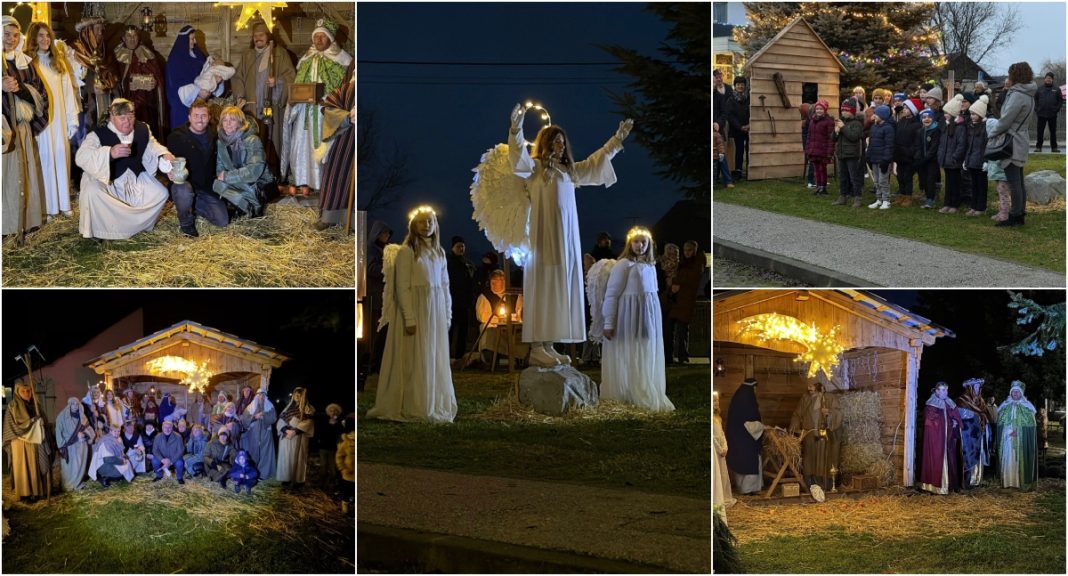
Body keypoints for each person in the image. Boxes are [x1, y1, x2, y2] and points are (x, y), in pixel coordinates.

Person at [507, 103, 634, 367]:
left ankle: (550, 344)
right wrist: (516, 128)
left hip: (565, 240)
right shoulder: (536, 169)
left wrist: (616, 140)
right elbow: (517, 157)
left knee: (559, 286)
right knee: (543, 284)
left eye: (562, 142)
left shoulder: (569, 172)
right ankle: (537, 345)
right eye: (555, 142)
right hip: (544, 239)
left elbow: (594, 163)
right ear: (545, 144)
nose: (560, 146)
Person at [368, 206, 457, 422]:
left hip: (433, 311)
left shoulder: (440, 253)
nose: (426, 225)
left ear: (435, 224)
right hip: (415, 309)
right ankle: (413, 403)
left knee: (430, 355)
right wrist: (409, 316)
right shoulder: (406, 252)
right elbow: (402, 287)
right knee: (413, 357)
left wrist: (447, 315)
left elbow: (445, 286)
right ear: (413, 226)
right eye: (421, 222)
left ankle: (432, 401)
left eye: (429, 221)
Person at [74, 98, 175, 240]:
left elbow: (153, 146)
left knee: (161, 193)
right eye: (122, 118)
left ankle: (136, 226)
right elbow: (82, 156)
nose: (127, 122)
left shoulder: (142, 128)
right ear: (112, 117)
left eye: (130, 116)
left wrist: (165, 154)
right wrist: (109, 153)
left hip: (134, 178)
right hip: (110, 180)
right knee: (92, 191)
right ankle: (102, 230)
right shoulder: (98, 133)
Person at [600, 227, 674, 412]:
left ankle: (643, 387)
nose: (640, 246)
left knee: (645, 350)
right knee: (629, 352)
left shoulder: (650, 266)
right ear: (629, 243)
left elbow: (652, 294)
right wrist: (609, 322)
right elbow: (612, 294)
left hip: (646, 317)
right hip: (628, 315)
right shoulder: (623, 265)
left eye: (643, 242)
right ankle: (628, 391)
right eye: (636, 242)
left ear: (649, 244)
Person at [280, 17, 352, 196]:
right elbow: (297, 85)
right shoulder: (305, 59)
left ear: (330, 39)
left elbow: (342, 89)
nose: (318, 40)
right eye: (316, 36)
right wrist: (294, 101)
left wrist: (326, 98)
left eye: (323, 37)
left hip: (323, 113)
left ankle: (324, 185)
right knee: (301, 147)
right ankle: (303, 183)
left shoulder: (341, 61)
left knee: (323, 146)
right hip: (304, 112)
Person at [26, 21, 79, 222]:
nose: (45, 39)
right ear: (33, 38)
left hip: (59, 118)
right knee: (45, 160)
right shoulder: (29, 63)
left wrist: (72, 119)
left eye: (47, 35)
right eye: (40, 36)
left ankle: (64, 203)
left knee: (60, 157)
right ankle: (48, 207)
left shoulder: (58, 63)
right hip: (41, 121)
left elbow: (67, 93)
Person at [3, 16, 47, 239]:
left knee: (25, 173)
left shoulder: (25, 62)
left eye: (15, 35)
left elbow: (40, 92)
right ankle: (6, 225)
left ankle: (26, 222)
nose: (11, 39)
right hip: (2, 131)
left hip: (21, 128)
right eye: (6, 34)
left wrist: (20, 89)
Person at [232, 19, 296, 173]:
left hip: (271, 106)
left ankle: (274, 173)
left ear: (268, 36)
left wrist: (278, 83)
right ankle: (252, 172)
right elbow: (237, 77)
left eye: (261, 35)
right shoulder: (248, 55)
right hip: (252, 107)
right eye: (255, 35)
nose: (257, 38)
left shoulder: (279, 54)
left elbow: (291, 77)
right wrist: (240, 95)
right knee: (252, 140)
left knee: (271, 138)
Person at [166, 99, 228, 237]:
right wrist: (167, 171)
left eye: (204, 116)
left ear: (209, 117)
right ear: (189, 117)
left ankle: (192, 205)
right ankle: (186, 222)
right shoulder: (177, 137)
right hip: (185, 184)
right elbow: (165, 160)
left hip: (206, 187)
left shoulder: (215, 135)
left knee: (222, 221)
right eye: (196, 116)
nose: (200, 120)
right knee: (183, 192)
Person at [990, 62, 1037, 227]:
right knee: (1018, 179)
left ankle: (1016, 215)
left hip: (1013, 139)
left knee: (1014, 180)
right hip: (1020, 137)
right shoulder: (1028, 93)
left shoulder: (1018, 94)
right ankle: (1019, 212)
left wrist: (992, 133)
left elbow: (1006, 119)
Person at [214, 105, 272, 218]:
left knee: (228, 183)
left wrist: (227, 176)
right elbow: (219, 167)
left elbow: (254, 171)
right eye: (225, 120)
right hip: (238, 179)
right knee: (216, 185)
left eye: (232, 119)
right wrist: (224, 176)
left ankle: (255, 205)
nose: (228, 123)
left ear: (240, 122)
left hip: (258, 181)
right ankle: (246, 206)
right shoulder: (220, 142)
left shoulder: (252, 140)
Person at [69, 7, 116, 145]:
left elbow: (115, 78)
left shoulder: (105, 52)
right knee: (86, 141)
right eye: (97, 29)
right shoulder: (74, 53)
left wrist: (106, 86)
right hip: (85, 109)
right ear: (87, 32)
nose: (100, 33)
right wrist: (89, 89)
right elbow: (71, 84)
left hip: (103, 103)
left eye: (102, 29)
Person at [316, 62, 354, 230]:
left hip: (366, 143)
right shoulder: (345, 89)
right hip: (345, 139)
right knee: (337, 175)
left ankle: (353, 222)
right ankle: (330, 217)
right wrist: (346, 117)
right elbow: (326, 107)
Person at [112, 25, 166, 139]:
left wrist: (154, 84)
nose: (132, 39)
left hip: (146, 105)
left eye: (135, 35)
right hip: (125, 104)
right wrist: (127, 84)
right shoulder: (116, 56)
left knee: (146, 133)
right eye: (129, 36)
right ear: (123, 38)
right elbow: (113, 79)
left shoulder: (148, 54)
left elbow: (158, 77)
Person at [789, 382, 842, 489]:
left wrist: (829, 413)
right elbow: (797, 414)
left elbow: (839, 413)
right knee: (810, 460)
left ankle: (826, 484)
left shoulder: (829, 398)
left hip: (825, 436)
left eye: (811, 385)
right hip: (810, 435)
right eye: (808, 385)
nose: (809, 388)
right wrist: (793, 430)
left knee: (824, 459)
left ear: (820, 386)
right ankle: (810, 483)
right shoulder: (805, 399)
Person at [165, 26, 215, 130]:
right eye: (192, 39)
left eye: (194, 38)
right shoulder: (175, 59)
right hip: (181, 104)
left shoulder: (198, 55)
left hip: (199, 101)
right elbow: (176, 84)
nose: (195, 41)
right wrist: (198, 91)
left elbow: (205, 72)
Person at [474, 269, 528, 365]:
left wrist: (511, 318)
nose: (499, 282)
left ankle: (520, 357)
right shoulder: (485, 297)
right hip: (494, 326)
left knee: (523, 333)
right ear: (491, 282)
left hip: (512, 326)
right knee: (488, 331)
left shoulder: (515, 296)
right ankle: (490, 359)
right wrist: (499, 319)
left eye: (502, 280)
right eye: (496, 280)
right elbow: (482, 316)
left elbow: (520, 313)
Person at [920, 382, 962, 494]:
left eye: (946, 390)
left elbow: (956, 416)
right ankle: (936, 487)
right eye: (943, 390)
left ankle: (950, 485)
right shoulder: (931, 405)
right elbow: (930, 422)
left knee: (951, 459)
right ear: (937, 391)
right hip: (936, 440)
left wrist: (955, 422)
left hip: (948, 439)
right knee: (936, 459)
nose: (946, 392)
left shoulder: (949, 402)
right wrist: (948, 421)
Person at [666, 241, 703, 365]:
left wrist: (676, 282)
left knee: (682, 330)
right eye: (685, 250)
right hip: (677, 300)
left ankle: (682, 356)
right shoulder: (682, 263)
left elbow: (692, 278)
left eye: (689, 250)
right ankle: (671, 356)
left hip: (685, 299)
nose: (687, 253)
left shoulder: (696, 263)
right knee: (671, 329)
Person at [725, 377, 763, 495]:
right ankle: (748, 489)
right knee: (749, 461)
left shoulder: (738, 397)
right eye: (755, 388)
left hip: (737, 436)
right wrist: (762, 427)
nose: (756, 391)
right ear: (752, 387)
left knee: (741, 460)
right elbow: (749, 422)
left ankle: (744, 488)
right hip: (746, 438)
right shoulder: (747, 399)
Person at [997, 380, 1037, 490]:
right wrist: (1009, 432)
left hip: (1021, 441)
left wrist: (1019, 432)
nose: (1015, 394)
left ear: (1021, 393)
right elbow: (1000, 423)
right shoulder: (1005, 406)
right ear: (1010, 393)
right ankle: (1008, 481)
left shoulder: (1027, 407)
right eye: (1013, 392)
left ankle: (1020, 482)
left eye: (1017, 392)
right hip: (1007, 439)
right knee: (1009, 459)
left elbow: (1031, 426)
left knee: (1019, 460)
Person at [957, 378, 996, 489]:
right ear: (969, 388)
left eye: (979, 387)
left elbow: (986, 414)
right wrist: (977, 416)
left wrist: (984, 420)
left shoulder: (981, 401)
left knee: (979, 454)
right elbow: (962, 417)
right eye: (975, 387)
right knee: (969, 455)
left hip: (980, 433)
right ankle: (968, 480)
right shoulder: (962, 400)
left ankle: (977, 479)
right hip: (968, 435)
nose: (978, 389)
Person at [367, 220, 393, 375]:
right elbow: (371, 269)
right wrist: (389, 268)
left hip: (384, 298)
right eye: (384, 233)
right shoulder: (372, 249)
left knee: (384, 334)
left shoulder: (384, 249)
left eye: (388, 233)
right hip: (376, 298)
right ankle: (374, 365)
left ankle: (380, 364)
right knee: (377, 334)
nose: (387, 236)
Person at [276, 387, 315, 486]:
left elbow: (309, 422)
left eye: (299, 395)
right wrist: (285, 430)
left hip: (298, 438)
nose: (297, 397)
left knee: (298, 458)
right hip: (286, 437)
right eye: (295, 395)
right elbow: (280, 421)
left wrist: (296, 431)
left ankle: (297, 480)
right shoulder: (288, 408)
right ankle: (286, 478)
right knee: (286, 457)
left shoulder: (307, 409)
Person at [446, 235, 476, 361]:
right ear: (453, 247)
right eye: (458, 246)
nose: (461, 248)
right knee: (450, 329)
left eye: (463, 246)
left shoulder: (467, 262)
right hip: (451, 301)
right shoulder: (447, 261)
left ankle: (460, 355)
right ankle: (447, 355)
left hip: (464, 302)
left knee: (463, 330)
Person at [936, 95, 967, 213]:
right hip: (946, 160)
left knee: (955, 183)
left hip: (953, 160)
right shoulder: (946, 126)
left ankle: (954, 204)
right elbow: (942, 143)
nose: (945, 115)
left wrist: (955, 157)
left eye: (947, 113)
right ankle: (947, 203)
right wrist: (941, 156)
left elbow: (961, 144)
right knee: (948, 183)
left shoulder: (960, 127)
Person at [55, 397, 94, 492]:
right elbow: (58, 432)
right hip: (70, 446)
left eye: (77, 404)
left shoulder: (82, 416)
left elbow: (89, 430)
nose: (75, 406)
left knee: (80, 464)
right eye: (73, 404)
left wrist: (84, 434)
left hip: (81, 445)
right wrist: (62, 445)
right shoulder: (62, 416)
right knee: (70, 466)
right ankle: (68, 485)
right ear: (69, 405)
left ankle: (78, 483)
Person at [833, 98, 865, 208]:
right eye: (842, 110)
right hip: (841, 154)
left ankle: (857, 198)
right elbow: (833, 138)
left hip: (852, 155)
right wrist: (836, 132)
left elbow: (854, 137)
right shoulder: (841, 123)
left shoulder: (857, 123)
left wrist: (843, 128)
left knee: (854, 177)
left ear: (852, 111)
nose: (844, 112)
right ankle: (843, 196)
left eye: (846, 110)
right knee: (843, 176)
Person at [240, 389, 277, 479]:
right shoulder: (250, 407)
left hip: (266, 432)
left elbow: (273, 418)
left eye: (263, 395)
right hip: (253, 433)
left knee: (265, 452)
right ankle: (253, 471)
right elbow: (244, 419)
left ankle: (263, 474)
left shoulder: (270, 406)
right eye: (259, 395)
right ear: (256, 396)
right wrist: (255, 417)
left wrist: (264, 415)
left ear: (265, 396)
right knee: (253, 451)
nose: (261, 396)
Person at [963, 96, 991, 217]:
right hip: (971, 160)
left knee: (981, 185)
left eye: (974, 114)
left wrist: (986, 160)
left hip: (981, 161)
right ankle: (974, 206)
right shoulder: (971, 127)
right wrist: (966, 160)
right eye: (971, 114)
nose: (972, 116)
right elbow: (969, 145)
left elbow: (987, 145)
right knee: (973, 184)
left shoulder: (985, 127)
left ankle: (981, 207)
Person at [893, 99, 922, 206]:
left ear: (912, 110)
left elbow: (916, 141)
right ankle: (902, 194)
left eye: (906, 108)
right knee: (899, 176)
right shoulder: (901, 121)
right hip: (899, 154)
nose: (904, 109)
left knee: (907, 176)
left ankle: (908, 196)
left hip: (909, 155)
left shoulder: (917, 124)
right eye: (904, 107)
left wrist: (911, 152)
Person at [867, 105, 895, 209]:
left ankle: (886, 200)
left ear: (882, 116)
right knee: (876, 180)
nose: (874, 116)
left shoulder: (888, 128)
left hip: (883, 160)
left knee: (883, 180)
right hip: (874, 158)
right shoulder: (874, 127)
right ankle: (878, 199)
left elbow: (889, 145)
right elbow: (871, 143)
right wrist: (868, 155)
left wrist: (886, 159)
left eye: (876, 114)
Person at [713, 392, 735, 524]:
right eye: (714, 401)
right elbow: (713, 436)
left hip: (721, 449)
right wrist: (719, 448)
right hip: (716, 450)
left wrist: (725, 446)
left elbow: (721, 433)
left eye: (717, 401)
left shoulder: (718, 418)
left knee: (722, 474)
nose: (716, 403)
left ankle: (724, 496)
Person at [805, 99, 834, 196]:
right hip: (814, 150)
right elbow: (809, 136)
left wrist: (829, 152)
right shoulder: (812, 121)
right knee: (816, 169)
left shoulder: (828, 121)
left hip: (823, 150)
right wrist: (808, 148)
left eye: (821, 109)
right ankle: (818, 185)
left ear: (825, 110)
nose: (819, 111)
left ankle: (823, 187)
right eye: (817, 109)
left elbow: (831, 138)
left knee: (822, 169)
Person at [916, 109, 942, 209]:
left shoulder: (936, 130)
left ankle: (931, 199)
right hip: (922, 160)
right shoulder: (920, 131)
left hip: (932, 160)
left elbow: (934, 147)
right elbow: (918, 146)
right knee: (923, 178)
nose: (927, 119)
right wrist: (918, 156)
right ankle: (927, 196)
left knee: (930, 179)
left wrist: (926, 158)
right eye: (924, 117)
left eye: (929, 117)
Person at [725, 76, 749, 180]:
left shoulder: (749, 98)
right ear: (735, 86)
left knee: (749, 150)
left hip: (749, 128)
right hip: (737, 129)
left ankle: (750, 171)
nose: (740, 86)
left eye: (742, 84)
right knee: (738, 151)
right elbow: (730, 115)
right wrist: (740, 127)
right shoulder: (731, 99)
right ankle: (737, 171)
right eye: (738, 84)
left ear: (745, 86)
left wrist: (749, 125)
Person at [316, 403, 344, 491]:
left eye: (335, 411)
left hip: (333, 449)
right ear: (328, 412)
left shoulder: (339, 424)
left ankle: (332, 484)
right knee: (323, 466)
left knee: (333, 468)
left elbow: (340, 435)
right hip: (323, 447)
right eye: (331, 411)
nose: (333, 412)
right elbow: (319, 432)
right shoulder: (324, 422)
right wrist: (319, 440)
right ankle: (321, 483)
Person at [1033, 71, 1063, 152]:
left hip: (1052, 114)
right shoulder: (1040, 89)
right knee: (1040, 131)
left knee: (1053, 132)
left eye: (1050, 78)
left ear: (1052, 80)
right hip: (1041, 114)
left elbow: (1060, 100)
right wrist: (1037, 108)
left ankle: (1054, 148)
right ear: (1044, 79)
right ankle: (1038, 147)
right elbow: (1035, 99)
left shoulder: (1057, 89)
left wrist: (1056, 109)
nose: (1048, 80)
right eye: (1047, 78)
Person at [152, 419, 186, 484]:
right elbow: (154, 450)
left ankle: (179, 478)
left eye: (169, 427)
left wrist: (170, 462)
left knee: (180, 463)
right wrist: (162, 460)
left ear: (172, 428)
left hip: (174, 458)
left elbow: (180, 451)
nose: (167, 429)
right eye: (165, 427)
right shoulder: (157, 437)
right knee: (154, 461)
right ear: (162, 428)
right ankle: (159, 476)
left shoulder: (178, 437)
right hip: (162, 457)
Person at [337, 423, 355, 515]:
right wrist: (342, 468)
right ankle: (345, 507)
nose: (353, 434)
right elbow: (339, 456)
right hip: (348, 473)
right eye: (350, 433)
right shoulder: (346, 444)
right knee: (347, 491)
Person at [713, 122, 733, 188]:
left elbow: (720, 145)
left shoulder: (716, 135)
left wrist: (721, 153)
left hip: (716, 155)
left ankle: (728, 181)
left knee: (721, 163)